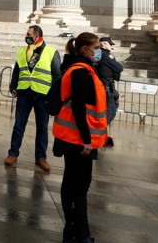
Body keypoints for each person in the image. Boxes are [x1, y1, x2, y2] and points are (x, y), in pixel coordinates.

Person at [52, 32, 110, 243]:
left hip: (74, 136)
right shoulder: (81, 72)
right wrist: (87, 140)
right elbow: (79, 107)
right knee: (80, 185)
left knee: (72, 182)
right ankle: (82, 233)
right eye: (96, 47)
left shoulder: (82, 69)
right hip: (78, 139)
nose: (99, 51)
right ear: (85, 49)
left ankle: (72, 229)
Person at [6, 25, 61, 172]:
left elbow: (57, 77)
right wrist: (13, 86)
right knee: (19, 125)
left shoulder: (51, 52)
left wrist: (54, 96)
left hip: (43, 95)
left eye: (28, 34)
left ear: (37, 35)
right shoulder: (22, 51)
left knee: (42, 128)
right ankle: (13, 154)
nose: (27, 36)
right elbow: (17, 71)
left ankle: (41, 157)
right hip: (24, 93)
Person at [94, 37, 123, 147]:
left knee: (104, 112)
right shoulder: (105, 55)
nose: (112, 46)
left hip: (102, 87)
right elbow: (119, 68)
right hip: (107, 89)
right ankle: (97, 133)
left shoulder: (97, 54)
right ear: (104, 44)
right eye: (110, 44)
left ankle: (102, 137)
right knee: (111, 111)